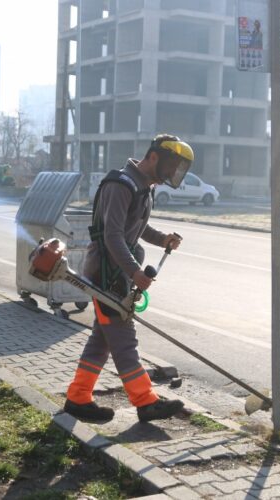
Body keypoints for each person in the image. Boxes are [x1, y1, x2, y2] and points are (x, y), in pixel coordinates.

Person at [64, 134, 194, 423]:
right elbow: (112, 235)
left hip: (117, 273)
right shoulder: (121, 184)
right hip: (107, 274)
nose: (171, 175)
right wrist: (135, 271)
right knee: (124, 340)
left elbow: (138, 226)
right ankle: (145, 401)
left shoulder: (141, 186)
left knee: (102, 340)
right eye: (170, 167)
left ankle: (77, 397)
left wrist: (163, 239)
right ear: (153, 157)